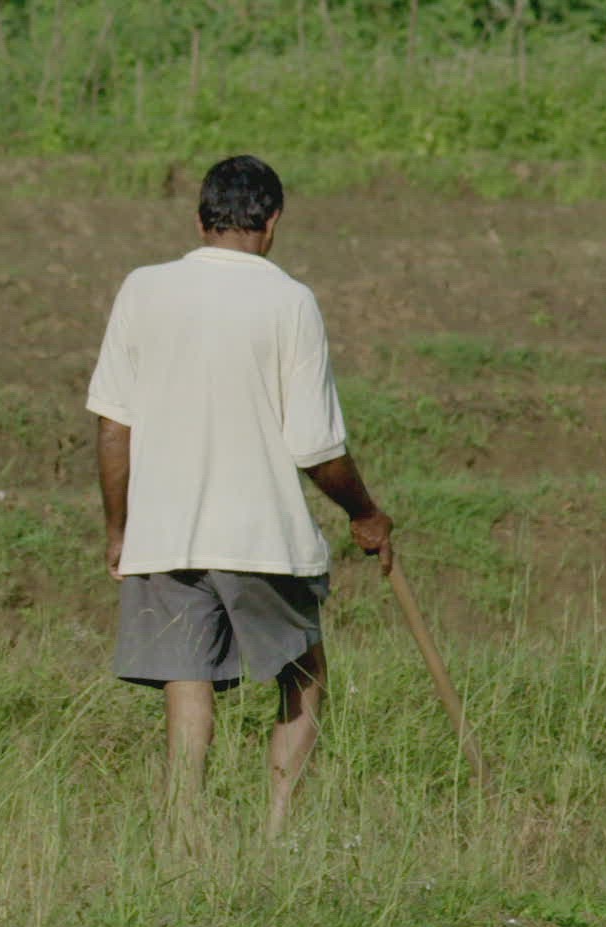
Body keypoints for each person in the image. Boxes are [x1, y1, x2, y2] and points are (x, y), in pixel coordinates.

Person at [86, 155, 393, 839]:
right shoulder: (290, 301)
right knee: (304, 671)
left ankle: (183, 832)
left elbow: (112, 428)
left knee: (186, 677)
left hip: (165, 534)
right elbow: (316, 447)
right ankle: (276, 833)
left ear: (201, 220)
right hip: (262, 535)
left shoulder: (142, 289)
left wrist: (120, 530)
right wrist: (365, 514)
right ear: (272, 222)